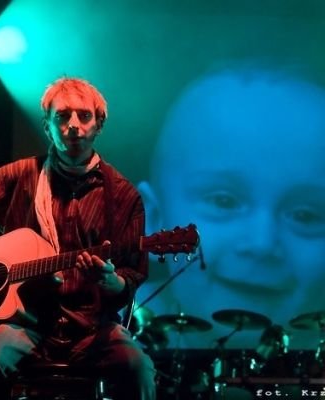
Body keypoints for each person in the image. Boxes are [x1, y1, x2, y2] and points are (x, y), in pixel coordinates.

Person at [0, 77, 156, 399]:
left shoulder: (122, 195)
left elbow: (132, 274)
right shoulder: (21, 175)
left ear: (99, 125)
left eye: (84, 116)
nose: (73, 125)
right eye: (62, 116)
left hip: (91, 327)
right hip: (25, 322)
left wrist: (110, 281)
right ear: (48, 126)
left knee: (137, 367)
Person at [136, 65, 325, 353]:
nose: (262, 243)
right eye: (223, 201)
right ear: (153, 219)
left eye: (305, 216)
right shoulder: (97, 336)